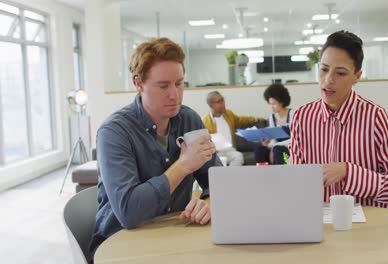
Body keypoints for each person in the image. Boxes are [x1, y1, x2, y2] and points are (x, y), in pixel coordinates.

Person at [89, 37, 221, 261]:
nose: (175, 95)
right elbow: (129, 213)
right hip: (121, 244)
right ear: (139, 83)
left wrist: (207, 203)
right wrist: (182, 166)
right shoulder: (113, 132)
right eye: (163, 86)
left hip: (173, 235)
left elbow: (220, 180)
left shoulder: (189, 119)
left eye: (179, 83)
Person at [288, 30, 388, 209]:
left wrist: (349, 172)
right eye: (323, 69)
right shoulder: (302, 117)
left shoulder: (376, 117)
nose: (328, 80)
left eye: (341, 73)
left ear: (357, 77)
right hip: (321, 224)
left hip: (372, 225)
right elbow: (296, 179)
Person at [202, 91, 264, 166]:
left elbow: (241, 120)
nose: (223, 103)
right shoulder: (205, 121)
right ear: (210, 105)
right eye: (219, 101)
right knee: (218, 161)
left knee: (238, 156)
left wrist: (256, 119)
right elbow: (203, 141)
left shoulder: (229, 114)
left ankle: (230, 176)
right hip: (216, 153)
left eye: (222, 100)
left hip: (230, 151)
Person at [254, 83, 293, 165]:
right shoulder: (272, 117)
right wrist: (268, 142)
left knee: (277, 150)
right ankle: (265, 175)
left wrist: (275, 146)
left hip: (291, 147)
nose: (272, 107)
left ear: (282, 102)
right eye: (270, 104)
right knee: (259, 150)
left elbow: (296, 139)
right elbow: (274, 139)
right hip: (277, 147)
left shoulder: (293, 114)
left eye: (274, 104)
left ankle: (282, 175)